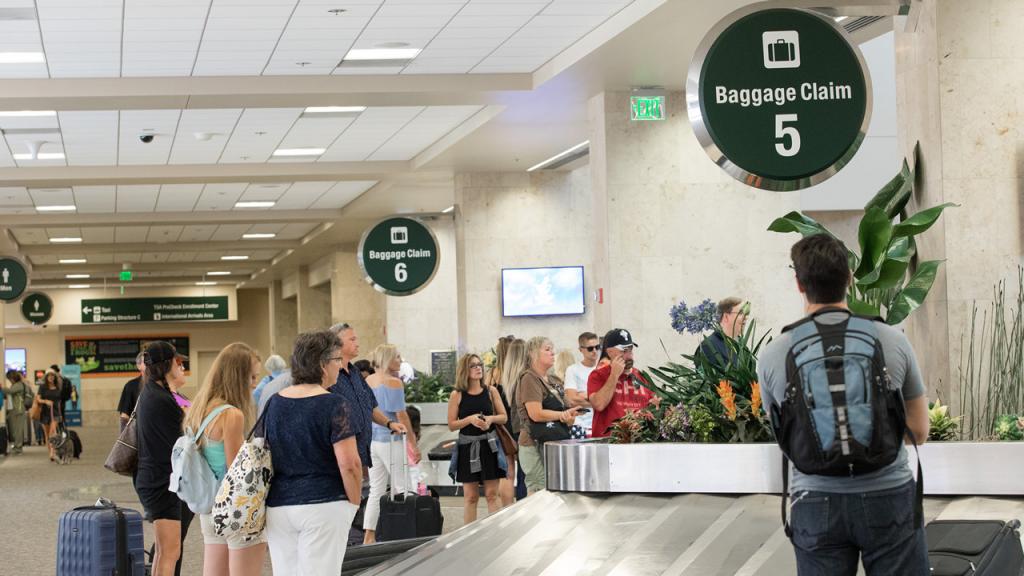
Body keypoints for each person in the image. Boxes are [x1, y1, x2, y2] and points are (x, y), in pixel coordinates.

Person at [757, 233, 930, 576]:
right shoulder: (892, 340)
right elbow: (919, 431)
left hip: (814, 500)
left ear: (798, 284)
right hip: (888, 494)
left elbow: (784, 432)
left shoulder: (775, 353)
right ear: (850, 279)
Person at [263, 330, 363, 576]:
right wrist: (354, 502)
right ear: (321, 364)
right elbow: (349, 463)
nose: (340, 367)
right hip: (323, 504)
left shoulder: (275, 402)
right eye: (337, 360)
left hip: (279, 507)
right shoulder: (334, 404)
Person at [183, 342, 267, 575]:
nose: (255, 384)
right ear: (237, 377)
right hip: (235, 510)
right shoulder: (232, 415)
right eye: (251, 377)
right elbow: (237, 471)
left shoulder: (200, 409)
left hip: (208, 509)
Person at [134, 341, 193, 576]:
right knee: (170, 553)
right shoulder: (161, 400)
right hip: (161, 481)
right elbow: (184, 440)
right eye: (177, 362)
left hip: (156, 479)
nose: (181, 366)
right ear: (166, 364)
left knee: (163, 552)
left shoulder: (153, 393)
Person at [327, 323, 407, 478]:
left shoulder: (356, 372)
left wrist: (389, 423)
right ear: (337, 343)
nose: (357, 343)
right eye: (352, 339)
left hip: (362, 449)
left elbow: (370, 405)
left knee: (369, 492)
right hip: (340, 455)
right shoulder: (329, 375)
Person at [362, 344, 420, 544]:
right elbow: (401, 415)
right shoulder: (393, 383)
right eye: (397, 357)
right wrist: (413, 444)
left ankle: (369, 537)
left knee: (376, 490)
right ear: (387, 359)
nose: (400, 360)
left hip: (373, 443)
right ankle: (403, 535)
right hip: (392, 440)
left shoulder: (368, 380)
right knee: (402, 488)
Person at [514, 337, 581, 494]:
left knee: (554, 489)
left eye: (552, 349)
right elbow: (535, 414)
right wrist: (562, 415)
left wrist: (570, 416)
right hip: (533, 443)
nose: (553, 353)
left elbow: (566, 408)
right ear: (532, 354)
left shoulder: (553, 380)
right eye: (547, 349)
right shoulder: (529, 378)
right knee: (540, 489)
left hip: (553, 442)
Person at [447, 353, 508, 523]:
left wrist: (490, 419)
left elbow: (503, 417)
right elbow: (452, 424)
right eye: (473, 365)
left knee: (491, 495)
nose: (478, 368)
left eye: (479, 364)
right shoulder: (457, 395)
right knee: (471, 497)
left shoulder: (491, 391)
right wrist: (469, 419)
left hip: (489, 446)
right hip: (468, 447)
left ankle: (496, 532)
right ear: (464, 370)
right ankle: (469, 536)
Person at [587, 328, 653, 439]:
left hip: (638, 442)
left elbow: (653, 409)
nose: (629, 356)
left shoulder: (642, 377)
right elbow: (598, 404)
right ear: (609, 352)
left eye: (630, 350)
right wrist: (614, 375)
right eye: (623, 351)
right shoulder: (598, 376)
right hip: (608, 443)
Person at [499, 338, 529, 503]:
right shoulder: (526, 378)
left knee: (509, 472)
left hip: (507, 430)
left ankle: (509, 509)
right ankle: (525, 506)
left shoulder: (503, 379)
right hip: (523, 429)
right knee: (526, 472)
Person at [696, 297, 748, 370]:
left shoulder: (741, 344)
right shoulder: (708, 346)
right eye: (741, 313)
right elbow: (708, 379)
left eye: (746, 313)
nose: (746, 317)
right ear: (726, 317)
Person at [563, 332, 599, 438]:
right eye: (590, 348)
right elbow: (571, 400)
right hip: (581, 425)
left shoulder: (604, 368)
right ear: (581, 350)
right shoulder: (573, 370)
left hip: (601, 424)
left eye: (597, 347)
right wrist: (600, 401)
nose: (595, 351)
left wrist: (585, 395)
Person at [38, 370, 64, 461]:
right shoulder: (42, 387)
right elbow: (38, 399)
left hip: (55, 413)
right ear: (46, 377)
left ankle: (53, 452)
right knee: (46, 434)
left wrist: (61, 414)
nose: (51, 377)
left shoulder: (58, 387)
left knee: (52, 433)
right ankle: (50, 451)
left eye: (52, 376)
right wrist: (45, 401)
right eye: (49, 376)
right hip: (45, 413)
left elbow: (59, 402)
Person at [3, 370, 30, 455]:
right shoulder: (15, 385)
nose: (9, 380)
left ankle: (18, 448)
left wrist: (1, 388)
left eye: (9, 378)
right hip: (14, 410)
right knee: (15, 430)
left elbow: (10, 392)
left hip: (19, 410)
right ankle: (16, 446)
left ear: (13, 378)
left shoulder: (19, 385)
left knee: (18, 430)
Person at [117, 353, 146, 430]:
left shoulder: (163, 384)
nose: (150, 364)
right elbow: (124, 416)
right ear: (138, 366)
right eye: (146, 361)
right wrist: (124, 438)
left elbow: (181, 403)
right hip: (139, 432)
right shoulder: (131, 386)